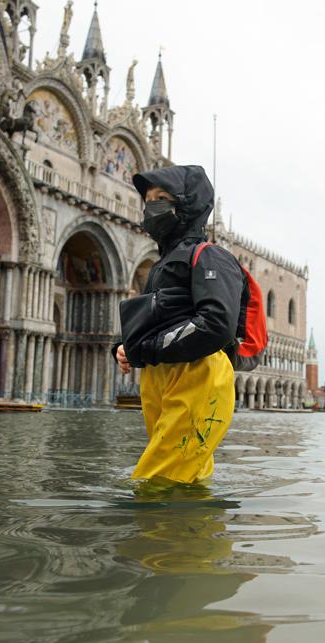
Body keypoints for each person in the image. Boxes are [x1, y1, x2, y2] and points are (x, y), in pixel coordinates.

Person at [113, 165, 244, 485]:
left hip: (197, 374)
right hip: (163, 377)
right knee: (187, 477)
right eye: (147, 199)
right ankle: (193, 533)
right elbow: (158, 317)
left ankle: (164, 534)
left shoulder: (210, 257)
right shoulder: (161, 266)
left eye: (161, 198)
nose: (150, 207)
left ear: (187, 203)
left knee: (159, 481)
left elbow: (216, 324)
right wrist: (125, 346)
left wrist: (148, 350)